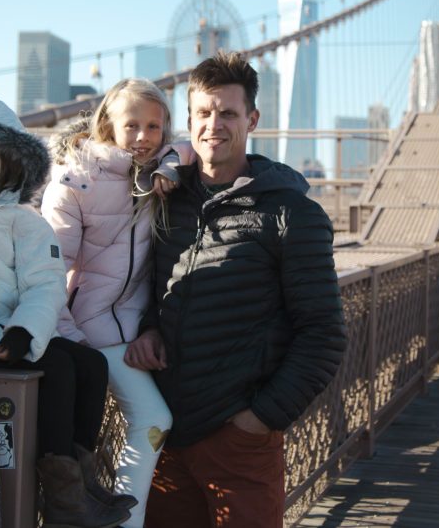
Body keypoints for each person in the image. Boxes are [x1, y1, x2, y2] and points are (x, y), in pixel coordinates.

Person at [125, 52, 346, 528]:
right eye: (203, 113)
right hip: (165, 432)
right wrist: (147, 329)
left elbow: (324, 335)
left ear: (252, 119)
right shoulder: (165, 199)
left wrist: (259, 420)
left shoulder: (292, 213)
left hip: (238, 438)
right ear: (189, 121)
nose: (214, 125)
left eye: (228, 113)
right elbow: (148, 286)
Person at [0, 95, 130, 528]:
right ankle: (64, 505)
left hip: (16, 332)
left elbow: (44, 283)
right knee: (57, 368)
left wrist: (25, 331)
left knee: (91, 364)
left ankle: (78, 483)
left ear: (7, 162)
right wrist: (1, 338)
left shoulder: (23, 221)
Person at [40, 79, 187, 528]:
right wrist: (72, 340)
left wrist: (175, 161)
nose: (144, 136)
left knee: (151, 421)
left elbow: (189, 146)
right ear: (108, 125)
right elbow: (49, 270)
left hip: (130, 328)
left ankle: (122, 519)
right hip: (84, 328)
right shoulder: (74, 180)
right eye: (132, 126)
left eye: (154, 127)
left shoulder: (159, 170)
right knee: (147, 418)